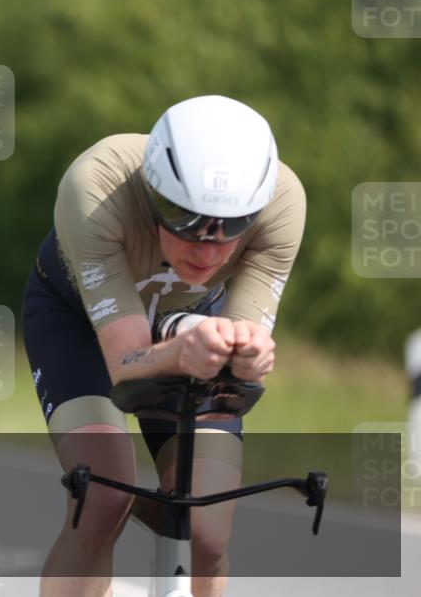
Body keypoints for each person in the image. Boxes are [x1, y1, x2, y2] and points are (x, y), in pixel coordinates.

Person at [22, 95, 306, 597]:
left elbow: (246, 339)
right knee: (102, 498)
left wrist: (251, 356)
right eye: (186, 219)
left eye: (231, 228)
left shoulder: (284, 203)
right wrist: (179, 350)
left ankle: (162, 503)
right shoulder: (96, 187)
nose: (207, 250)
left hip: (194, 325)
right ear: (153, 195)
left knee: (207, 531)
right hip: (81, 325)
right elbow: (128, 364)